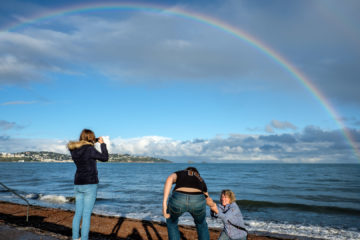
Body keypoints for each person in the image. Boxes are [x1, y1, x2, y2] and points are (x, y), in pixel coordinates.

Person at [67, 129, 109, 240]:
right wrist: (102, 144)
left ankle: (75, 238)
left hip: (78, 183)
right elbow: (105, 158)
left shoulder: (74, 150)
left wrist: (93, 141)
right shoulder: (90, 149)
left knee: (78, 213)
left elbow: (84, 148)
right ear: (91, 138)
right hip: (90, 184)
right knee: (86, 215)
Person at [162, 167, 211, 240]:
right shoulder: (200, 179)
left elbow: (169, 178)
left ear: (186, 170)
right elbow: (208, 199)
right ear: (196, 173)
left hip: (179, 198)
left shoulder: (181, 172)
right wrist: (213, 208)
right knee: (201, 224)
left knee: (172, 222)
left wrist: (164, 203)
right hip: (197, 199)